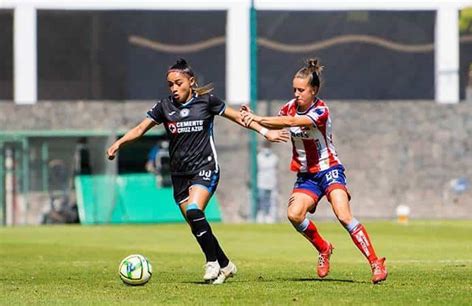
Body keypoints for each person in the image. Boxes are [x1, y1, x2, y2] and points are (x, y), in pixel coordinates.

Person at [107, 58, 289, 284]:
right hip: (179, 174)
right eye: (170, 85)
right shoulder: (164, 106)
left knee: (194, 210)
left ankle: (211, 263)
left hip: (206, 168)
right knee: (196, 223)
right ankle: (225, 264)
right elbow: (141, 128)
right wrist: (119, 143)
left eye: (178, 83)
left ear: (191, 81)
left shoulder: (207, 102)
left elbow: (238, 118)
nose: (174, 88)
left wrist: (265, 132)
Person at [240, 58, 388, 284]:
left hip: (329, 170)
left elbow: (290, 121)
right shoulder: (288, 107)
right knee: (294, 215)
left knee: (343, 215)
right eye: (294, 89)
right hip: (307, 176)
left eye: (301, 90)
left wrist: (258, 116)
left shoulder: (320, 110)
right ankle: (324, 248)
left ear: (314, 90)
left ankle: (375, 262)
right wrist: (254, 122)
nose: (297, 94)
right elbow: (277, 123)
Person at [256, 143, 279, 223]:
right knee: (261, 199)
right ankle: (261, 216)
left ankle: (270, 216)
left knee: (271, 200)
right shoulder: (259, 157)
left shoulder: (274, 158)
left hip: (272, 183)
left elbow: (276, 169)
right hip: (261, 182)